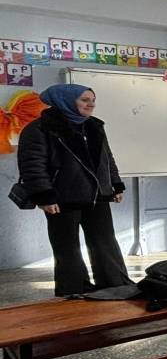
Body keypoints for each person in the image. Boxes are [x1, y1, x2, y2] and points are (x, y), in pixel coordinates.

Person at [16, 84, 132, 296]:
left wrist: (115, 184)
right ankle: (73, 288)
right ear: (65, 101)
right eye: (85, 100)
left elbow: (107, 158)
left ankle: (115, 283)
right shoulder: (39, 129)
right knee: (67, 247)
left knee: (105, 241)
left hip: (97, 196)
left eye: (93, 100)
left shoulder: (94, 126)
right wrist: (44, 196)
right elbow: (32, 166)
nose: (91, 104)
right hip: (61, 199)